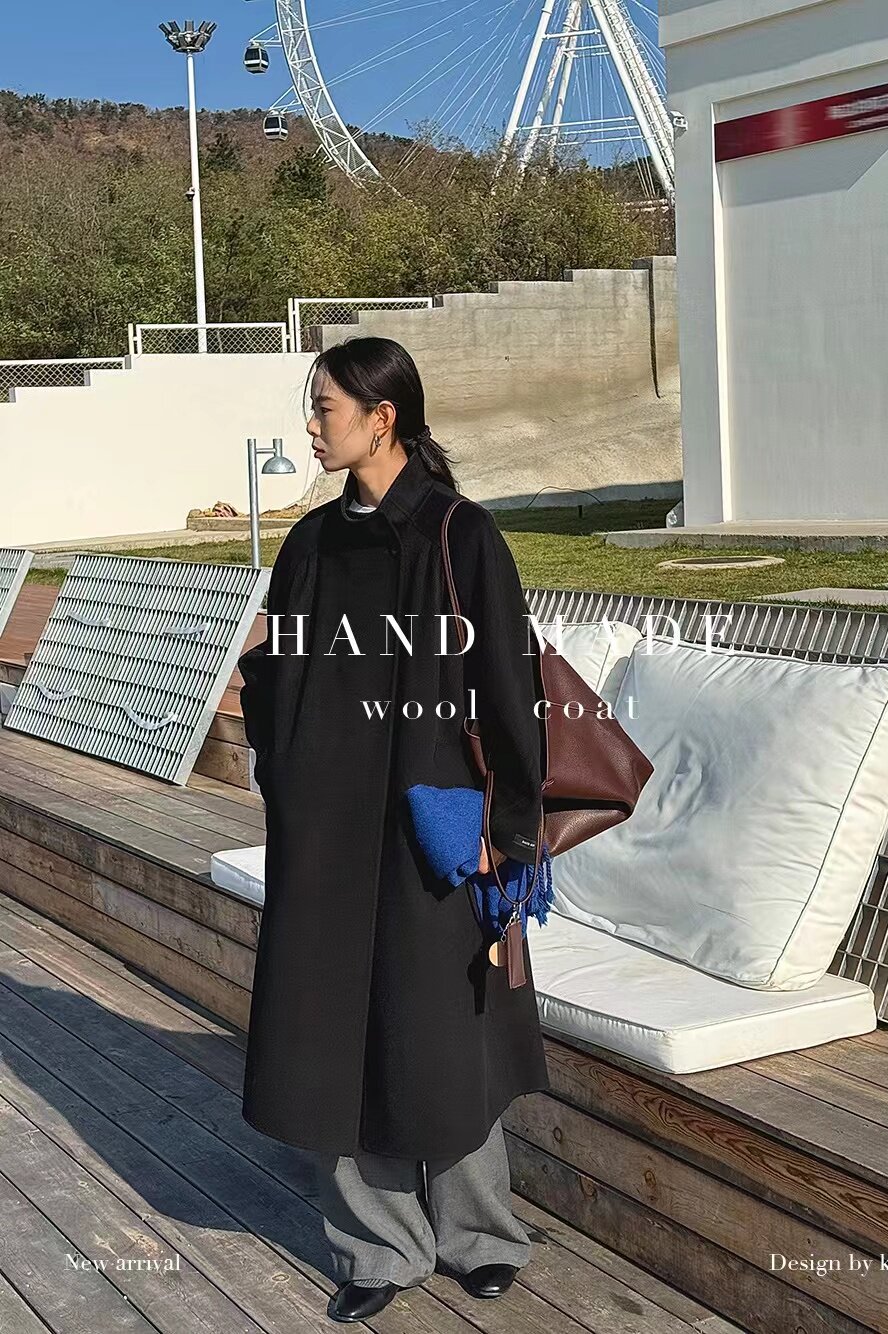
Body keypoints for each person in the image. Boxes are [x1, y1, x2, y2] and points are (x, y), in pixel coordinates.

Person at [236, 335, 551, 1324]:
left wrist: (509, 831)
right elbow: (272, 671)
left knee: (443, 1033)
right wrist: (285, 771)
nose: (310, 425)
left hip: (435, 833)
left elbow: (511, 690)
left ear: (382, 418)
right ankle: (376, 1246)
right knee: (333, 1032)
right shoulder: (309, 545)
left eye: (324, 407)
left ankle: (480, 1235)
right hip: (326, 837)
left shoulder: (461, 536)